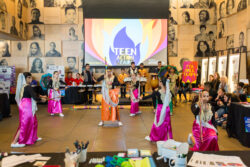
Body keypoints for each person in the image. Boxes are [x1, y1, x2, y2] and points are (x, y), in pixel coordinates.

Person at [11, 72, 47, 148]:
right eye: (29, 77)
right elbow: (35, 97)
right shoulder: (27, 87)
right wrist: (42, 99)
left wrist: (41, 96)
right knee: (24, 124)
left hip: (25, 105)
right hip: (26, 106)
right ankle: (14, 142)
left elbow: (32, 94)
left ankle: (33, 137)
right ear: (25, 78)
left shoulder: (24, 86)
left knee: (34, 121)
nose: (31, 79)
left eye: (31, 77)